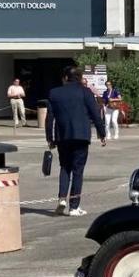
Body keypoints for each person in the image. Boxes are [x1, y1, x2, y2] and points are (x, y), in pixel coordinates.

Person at [45, 66, 106, 216]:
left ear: (65, 78)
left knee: (65, 167)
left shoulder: (55, 93)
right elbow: (95, 114)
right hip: (81, 136)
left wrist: (50, 138)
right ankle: (74, 206)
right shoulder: (86, 92)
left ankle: (61, 199)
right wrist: (102, 133)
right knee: (78, 171)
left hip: (62, 137)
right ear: (79, 78)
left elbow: (49, 118)